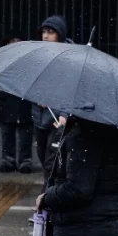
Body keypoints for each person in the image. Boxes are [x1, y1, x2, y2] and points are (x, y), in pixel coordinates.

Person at [34, 15, 70, 183]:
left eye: (50, 32)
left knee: (52, 162)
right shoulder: (39, 56)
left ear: (59, 35)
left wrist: (64, 114)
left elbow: (71, 88)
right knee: (44, 158)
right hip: (40, 116)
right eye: (43, 32)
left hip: (57, 118)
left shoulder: (68, 58)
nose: (46, 36)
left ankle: (47, 199)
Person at [0, 32, 33, 173]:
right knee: (7, 134)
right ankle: (8, 160)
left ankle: (25, 162)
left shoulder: (28, 63)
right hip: (7, 102)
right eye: (12, 41)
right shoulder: (3, 63)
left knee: (25, 134)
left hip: (24, 102)